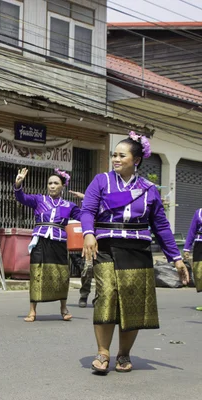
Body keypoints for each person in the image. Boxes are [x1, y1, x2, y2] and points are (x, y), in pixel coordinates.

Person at [81, 131, 189, 375]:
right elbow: (87, 210)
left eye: (122, 155)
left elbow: (161, 226)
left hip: (138, 249)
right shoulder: (101, 181)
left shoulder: (149, 189)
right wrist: (88, 233)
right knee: (106, 295)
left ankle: (124, 353)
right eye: (114, 155)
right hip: (107, 247)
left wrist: (177, 258)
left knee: (132, 303)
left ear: (136, 160)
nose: (116, 159)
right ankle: (103, 353)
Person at [14, 167, 81, 322]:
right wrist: (18, 184)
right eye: (50, 183)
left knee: (61, 275)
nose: (52, 186)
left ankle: (64, 309)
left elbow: (85, 215)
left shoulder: (69, 206)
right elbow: (21, 197)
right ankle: (32, 311)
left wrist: (87, 198)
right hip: (41, 240)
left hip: (59, 242)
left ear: (62, 186)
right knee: (37, 274)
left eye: (55, 183)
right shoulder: (39, 200)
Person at [183, 209, 202, 294]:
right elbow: (192, 231)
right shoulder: (199, 213)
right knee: (198, 272)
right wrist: (187, 248)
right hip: (199, 245)